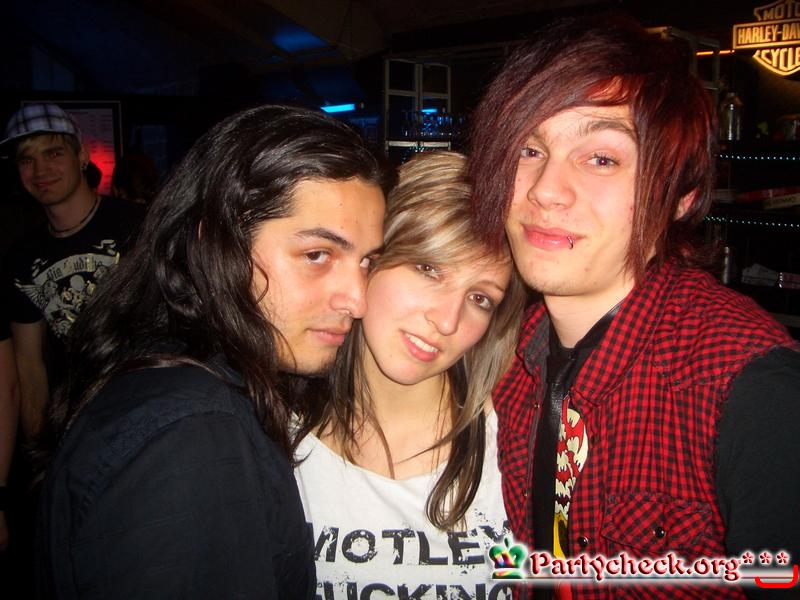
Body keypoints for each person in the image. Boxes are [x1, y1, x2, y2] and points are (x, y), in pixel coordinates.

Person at [468, 13, 800, 600]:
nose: (545, 189)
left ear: (681, 196)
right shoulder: (500, 360)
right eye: (528, 149)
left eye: (601, 158)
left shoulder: (747, 387)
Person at [35, 103, 393, 599]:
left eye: (367, 262)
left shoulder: (187, 375)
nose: (357, 301)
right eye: (317, 255)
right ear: (213, 247)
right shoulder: (190, 434)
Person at [293, 151, 528, 599]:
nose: (447, 320)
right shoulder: (271, 437)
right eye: (429, 269)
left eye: (480, 298)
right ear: (372, 258)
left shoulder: (518, 442)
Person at [0, 103, 143, 442]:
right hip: (81, 428)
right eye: (26, 159)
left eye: (53, 153)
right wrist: (41, 451)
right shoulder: (21, 257)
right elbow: (29, 365)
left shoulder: (139, 225)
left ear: (82, 156)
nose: (40, 170)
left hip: (151, 411)